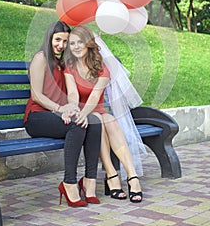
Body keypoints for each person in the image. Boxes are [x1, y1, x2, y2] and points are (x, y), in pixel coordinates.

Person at [24, 21, 102, 207]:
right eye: (57, 40)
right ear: (49, 38)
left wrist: (72, 109)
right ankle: (69, 182)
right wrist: (61, 109)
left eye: (65, 41)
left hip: (58, 115)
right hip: (37, 117)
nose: (61, 45)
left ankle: (90, 181)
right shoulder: (41, 58)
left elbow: (71, 94)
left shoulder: (64, 63)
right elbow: (36, 95)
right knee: (77, 124)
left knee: (93, 122)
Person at [64, 25, 145, 203]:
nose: (76, 46)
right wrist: (77, 110)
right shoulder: (69, 67)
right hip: (83, 112)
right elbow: (72, 94)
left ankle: (130, 176)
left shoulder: (101, 67)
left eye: (80, 42)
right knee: (97, 121)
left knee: (107, 120)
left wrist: (86, 113)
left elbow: (94, 96)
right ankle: (113, 175)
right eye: (72, 43)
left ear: (89, 44)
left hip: (95, 109)